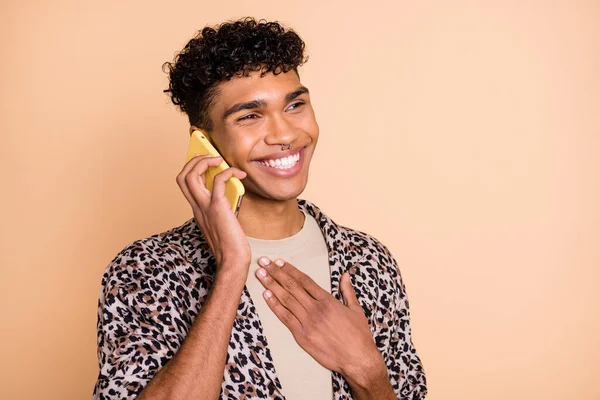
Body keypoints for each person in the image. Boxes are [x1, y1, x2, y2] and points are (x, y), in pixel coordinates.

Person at [93, 17, 427, 400]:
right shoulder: (146, 271)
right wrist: (233, 268)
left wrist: (366, 370)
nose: (285, 134)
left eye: (295, 105)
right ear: (203, 141)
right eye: (250, 116)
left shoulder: (368, 261)